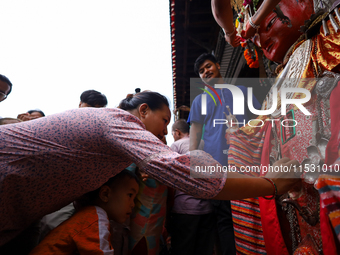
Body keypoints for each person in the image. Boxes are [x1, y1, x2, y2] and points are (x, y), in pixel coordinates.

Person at [0, 90, 299, 250]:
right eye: (164, 120)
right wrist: (270, 184)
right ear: (143, 111)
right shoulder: (117, 122)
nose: (166, 132)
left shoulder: (116, 144)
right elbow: (185, 173)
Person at [219, 0, 340, 254]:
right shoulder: (280, 80)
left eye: (269, 24)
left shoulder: (327, 43)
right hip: (291, 195)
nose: (260, 39)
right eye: (255, 40)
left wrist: (251, 23)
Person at [189, 53, 261, 255]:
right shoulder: (200, 100)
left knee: (251, 212)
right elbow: (195, 131)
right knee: (224, 218)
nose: (205, 72)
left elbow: (259, 121)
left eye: (208, 66)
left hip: (247, 162)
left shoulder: (243, 91)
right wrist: (193, 161)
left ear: (218, 66)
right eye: (201, 71)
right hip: (217, 166)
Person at [29, 169, 139, 255]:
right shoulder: (95, 219)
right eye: (130, 195)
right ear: (105, 194)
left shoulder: (89, 215)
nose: (133, 204)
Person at [169, 119, 215, 255]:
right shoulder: (204, 144)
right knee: (204, 249)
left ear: (177, 132)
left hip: (184, 208)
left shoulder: (176, 145)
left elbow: (171, 176)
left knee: (183, 248)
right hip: (207, 207)